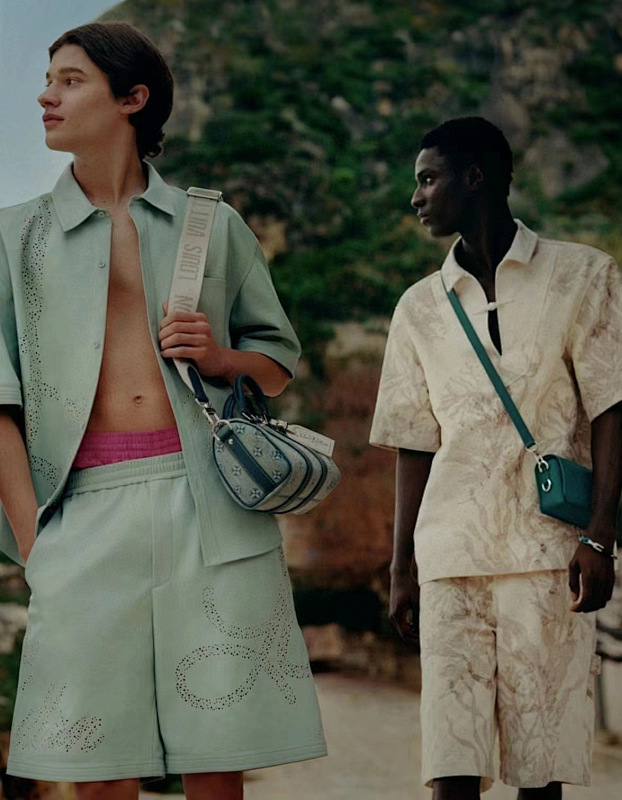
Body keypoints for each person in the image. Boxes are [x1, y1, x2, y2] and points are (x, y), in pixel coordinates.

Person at [0, 21, 325, 800]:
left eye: (71, 80)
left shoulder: (210, 224)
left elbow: (276, 363)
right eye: (47, 80)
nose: (46, 97)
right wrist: (35, 543)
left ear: (132, 98)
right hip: (80, 510)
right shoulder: (14, 236)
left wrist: (219, 357)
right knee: (95, 767)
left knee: (217, 757)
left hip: (209, 503)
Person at [370, 117, 622, 799]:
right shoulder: (418, 308)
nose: (415, 197)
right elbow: (414, 442)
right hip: (450, 557)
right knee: (451, 762)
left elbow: (609, 408)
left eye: (427, 179)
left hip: (549, 555)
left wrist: (600, 535)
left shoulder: (583, 275)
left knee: (540, 767)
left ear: (475, 177)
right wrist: (402, 567)